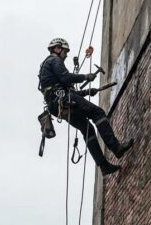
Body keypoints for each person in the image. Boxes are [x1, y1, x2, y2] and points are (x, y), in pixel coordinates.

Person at [38, 38, 134, 176]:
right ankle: (116, 147)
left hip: (58, 106)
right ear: (58, 49)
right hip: (63, 100)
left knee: (86, 128)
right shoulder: (54, 61)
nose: (66, 55)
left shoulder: (47, 70)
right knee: (97, 113)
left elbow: (68, 91)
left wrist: (88, 92)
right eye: (65, 51)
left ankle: (104, 166)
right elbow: (66, 78)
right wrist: (85, 77)